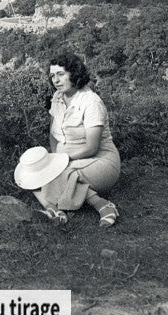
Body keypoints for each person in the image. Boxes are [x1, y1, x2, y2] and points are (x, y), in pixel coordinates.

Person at [14, 52, 122, 227]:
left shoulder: (90, 102)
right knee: (31, 172)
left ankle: (101, 204)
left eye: (60, 74)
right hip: (67, 160)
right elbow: (53, 134)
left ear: (74, 73)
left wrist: (60, 161)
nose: (55, 80)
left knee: (59, 174)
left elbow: (92, 147)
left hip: (100, 161)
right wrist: (52, 159)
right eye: (52, 76)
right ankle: (54, 210)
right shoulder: (57, 98)